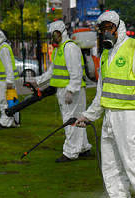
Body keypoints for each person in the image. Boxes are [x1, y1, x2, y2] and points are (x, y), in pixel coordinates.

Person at [75, 11, 135, 198]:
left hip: (129, 116)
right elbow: (102, 92)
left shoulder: (134, 48)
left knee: (134, 162)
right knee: (110, 162)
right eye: (103, 28)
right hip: (110, 115)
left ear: (117, 27)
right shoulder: (106, 54)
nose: (106, 31)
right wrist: (89, 116)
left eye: (109, 27)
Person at [28, 20, 92, 162]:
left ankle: (70, 152)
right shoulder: (60, 49)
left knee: (70, 121)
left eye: (54, 34)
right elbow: (53, 71)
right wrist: (38, 81)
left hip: (72, 91)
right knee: (77, 119)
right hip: (65, 90)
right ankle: (83, 147)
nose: (52, 38)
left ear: (60, 33)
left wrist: (71, 90)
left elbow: (76, 72)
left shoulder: (70, 48)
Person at [0, 28, 19, 130]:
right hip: (3, 80)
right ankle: (11, 121)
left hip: (5, 80)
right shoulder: (2, 47)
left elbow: (8, 66)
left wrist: (9, 81)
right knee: (9, 101)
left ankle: (5, 122)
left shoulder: (3, 48)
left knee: (4, 101)